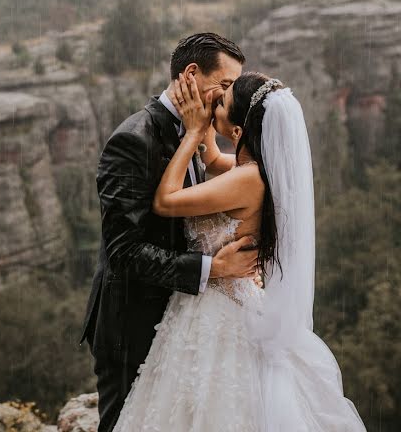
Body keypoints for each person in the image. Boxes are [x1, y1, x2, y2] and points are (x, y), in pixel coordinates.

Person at [111, 69, 366, 431]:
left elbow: (166, 201)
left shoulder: (248, 180)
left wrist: (195, 133)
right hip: (230, 296)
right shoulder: (256, 168)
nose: (217, 102)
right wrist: (205, 126)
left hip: (215, 306)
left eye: (224, 102)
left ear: (238, 129)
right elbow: (215, 162)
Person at [78, 33, 259, 432]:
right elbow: (125, 252)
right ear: (192, 75)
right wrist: (215, 267)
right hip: (133, 323)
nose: (228, 99)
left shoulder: (199, 129)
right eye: (225, 86)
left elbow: (220, 172)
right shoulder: (133, 140)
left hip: (182, 323)